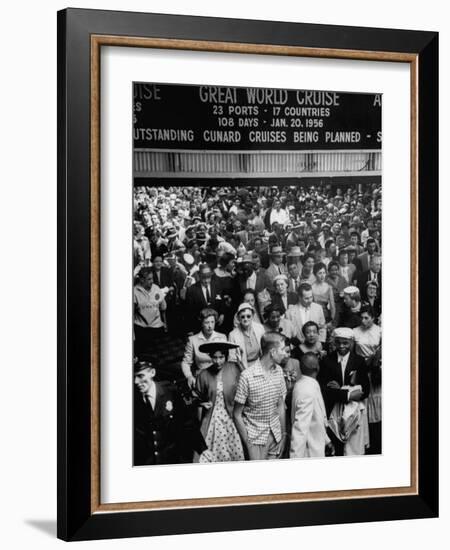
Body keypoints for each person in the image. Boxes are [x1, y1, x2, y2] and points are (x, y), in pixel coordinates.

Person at [133, 361, 208, 465]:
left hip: (171, 459)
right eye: (133, 377)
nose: (136, 381)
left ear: (152, 373)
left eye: (140, 376)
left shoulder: (170, 391)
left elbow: (186, 422)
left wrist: (202, 449)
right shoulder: (132, 399)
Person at [233, 331, 288, 460]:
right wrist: (248, 442)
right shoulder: (247, 376)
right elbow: (236, 414)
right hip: (255, 439)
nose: (285, 354)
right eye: (283, 350)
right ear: (273, 352)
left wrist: (284, 434)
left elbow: (280, 405)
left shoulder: (279, 371)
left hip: (275, 435)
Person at [319, 327, 370, 456]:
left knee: (354, 448)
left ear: (351, 343)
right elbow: (324, 390)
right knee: (337, 448)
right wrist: (347, 393)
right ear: (334, 342)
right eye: (338, 343)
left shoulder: (359, 361)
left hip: (354, 413)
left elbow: (366, 390)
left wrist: (340, 389)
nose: (341, 346)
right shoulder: (327, 361)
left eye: (345, 343)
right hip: (333, 412)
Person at [195, 342, 245, 462]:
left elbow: (246, 387)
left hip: (232, 417)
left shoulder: (234, 368)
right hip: (212, 419)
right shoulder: (203, 374)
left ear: (226, 356)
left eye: (221, 357)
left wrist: (241, 362)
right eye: (215, 357)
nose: (218, 361)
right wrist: (202, 404)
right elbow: (196, 398)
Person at [290, 353, 332, 459]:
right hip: (309, 452)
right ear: (317, 368)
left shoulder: (303, 384)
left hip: (317, 445)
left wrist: (327, 441)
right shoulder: (307, 390)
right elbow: (300, 428)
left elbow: (318, 417)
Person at [353, 305, 382, 454]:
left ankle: (378, 442)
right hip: (362, 371)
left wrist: (376, 361)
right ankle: (366, 442)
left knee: (377, 403)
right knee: (364, 405)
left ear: (373, 317)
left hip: (375, 371)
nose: (363, 321)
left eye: (367, 318)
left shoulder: (379, 331)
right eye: (362, 317)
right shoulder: (355, 332)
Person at [181, 308, 227, 388]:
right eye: (207, 322)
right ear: (202, 323)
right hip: (202, 377)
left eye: (212, 322)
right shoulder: (193, 340)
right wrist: (189, 376)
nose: (210, 326)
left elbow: (227, 360)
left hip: (220, 375)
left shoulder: (222, 337)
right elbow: (185, 362)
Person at [133, 267, 167, 358]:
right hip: (141, 329)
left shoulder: (156, 288)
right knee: (144, 356)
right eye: (149, 279)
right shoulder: (134, 292)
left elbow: (163, 308)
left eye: (152, 278)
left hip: (157, 327)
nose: (152, 281)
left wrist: (165, 324)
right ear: (141, 279)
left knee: (160, 355)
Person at [184, 263, 223, 332]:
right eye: (203, 278)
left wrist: (222, 314)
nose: (206, 281)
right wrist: (190, 330)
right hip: (199, 326)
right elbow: (189, 312)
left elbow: (221, 302)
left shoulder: (217, 285)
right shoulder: (192, 290)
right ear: (199, 276)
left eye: (208, 277)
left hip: (216, 325)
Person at [228, 303, 266, 370]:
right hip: (243, 368)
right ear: (238, 318)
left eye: (248, 316)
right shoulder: (233, 335)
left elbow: (265, 349)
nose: (245, 319)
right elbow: (232, 359)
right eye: (242, 317)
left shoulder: (260, 328)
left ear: (253, 316)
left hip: (261, 365)